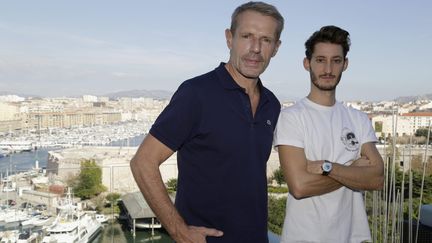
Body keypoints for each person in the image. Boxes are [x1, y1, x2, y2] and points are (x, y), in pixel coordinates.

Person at [130, 2, 284, 243]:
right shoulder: (197, 93)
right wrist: (179, 230)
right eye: (247, 36)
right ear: (229, 38)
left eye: (266, 40)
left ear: (276, 48)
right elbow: (143, 162)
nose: (256, 48)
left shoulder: (271, 104)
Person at [274, 25, 384, 243]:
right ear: (307, 64)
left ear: (345, 64)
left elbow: (377, 178)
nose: (328, 69)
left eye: (336, 60)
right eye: (320, 60)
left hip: (353, 237)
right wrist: (353, 171)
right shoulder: (292, 117)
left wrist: (328, 167)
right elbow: (300, 186)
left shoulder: (358, 119)